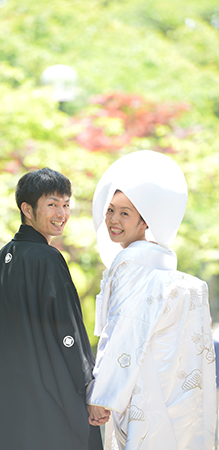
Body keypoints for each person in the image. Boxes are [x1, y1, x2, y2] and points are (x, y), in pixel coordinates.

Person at [86, 150, 216, 449]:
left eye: (125, 213)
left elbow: (122, 332)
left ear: (145, 222)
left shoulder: (131, 267)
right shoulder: (161, 267)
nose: (113, 220)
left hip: (139, 390)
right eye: (110, 210)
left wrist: (102, 396)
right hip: (170, 395)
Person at [0, 168, 104, 450]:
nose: (61, 213)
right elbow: (66, 330)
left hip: (6, 397)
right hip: (45, 399)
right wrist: (88, 386)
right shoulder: (46, 257)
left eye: (66, 205)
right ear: (27, 209)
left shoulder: (1, 258)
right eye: (52, 205)